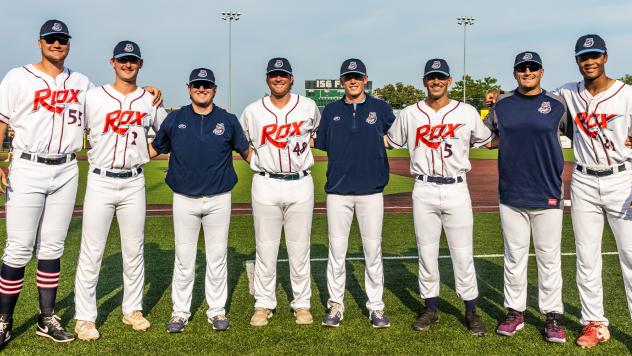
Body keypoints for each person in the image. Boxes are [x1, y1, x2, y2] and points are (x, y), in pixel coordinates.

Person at [485, 35, 632, 349]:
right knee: (586, 257)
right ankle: (594, 324)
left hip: (622, 179)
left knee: (630, 255)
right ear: (577, 61)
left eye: (594, 55)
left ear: (605, 57)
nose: (589, 61)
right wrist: (499, 96)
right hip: (583, 181)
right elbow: (526, 101)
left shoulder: (626, 95)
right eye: (583, 56)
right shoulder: (568, 94)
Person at [386, 58, 492, 336]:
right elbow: (390, 140)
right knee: (426, 251)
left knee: (462, 253)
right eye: (431, 77)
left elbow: (488, 140)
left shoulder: (467, 112)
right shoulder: (410, 113)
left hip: (457, 188)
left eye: (441, 77)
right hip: (424, 188)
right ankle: (430, 307)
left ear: (449, 81)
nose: (436, 81)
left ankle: (471, 311)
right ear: (424, 81)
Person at [73, 40, 167, 340]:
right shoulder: (93, 97)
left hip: (133, 180)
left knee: (134, 248)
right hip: (100, 178)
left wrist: (143, 154)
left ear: (140, 64)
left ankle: (132, 309)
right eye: (123, 60)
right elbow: (74, 125)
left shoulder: (148, 100)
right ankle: (85, 317)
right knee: (92, 249)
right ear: (112, 62)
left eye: (133, 60)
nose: (128, 65)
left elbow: (165, 136)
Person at [151, 68, 250, 333]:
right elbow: (154, 148)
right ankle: (180, 312)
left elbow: (248, 151)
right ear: (189, 88)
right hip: (184, 198)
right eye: (197, 85)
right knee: (184, 258)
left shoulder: (228, 120)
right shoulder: (175, 118)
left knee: (217, 257)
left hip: (219, 197)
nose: (202, 89)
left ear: (214, 89)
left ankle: (216, 311)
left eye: (206, 85)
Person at [484, 52, 568, 343]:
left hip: (547, 192)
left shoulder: (558, 104)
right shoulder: (502, 104)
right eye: (522, 69)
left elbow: (580, 134)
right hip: (511, 193)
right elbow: (488, 137)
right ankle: (515, 311)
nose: (527, 72)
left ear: (542, 72)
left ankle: (553, 315)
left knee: (548, 258)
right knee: (514, 257)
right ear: (515, 73)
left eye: (532, 68)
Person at [239, 58, 321, 326]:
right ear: (267, 79)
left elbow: (316, 134)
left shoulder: (308, 107)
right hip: (265, 182)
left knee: (299, 248)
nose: (278, 79)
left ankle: (302, 304)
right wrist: (257, 161)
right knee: (265, 248)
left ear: (291, 78)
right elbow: (242, 143)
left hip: (300, 182)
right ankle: (263, 304)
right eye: (274, 75)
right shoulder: (253, 111)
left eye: (283, 75)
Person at [316, 58, 394, 328]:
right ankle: (336, 305)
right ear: (341, 81)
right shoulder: (330, 111)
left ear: (365, 79)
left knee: (373, 251)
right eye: (348, 77)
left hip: (371, 191)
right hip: (338, 191)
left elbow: (393, 138)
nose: (353, 80)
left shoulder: (381, 108)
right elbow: (323, 143)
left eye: (357, 76)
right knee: (337, 251)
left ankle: (376, 307)